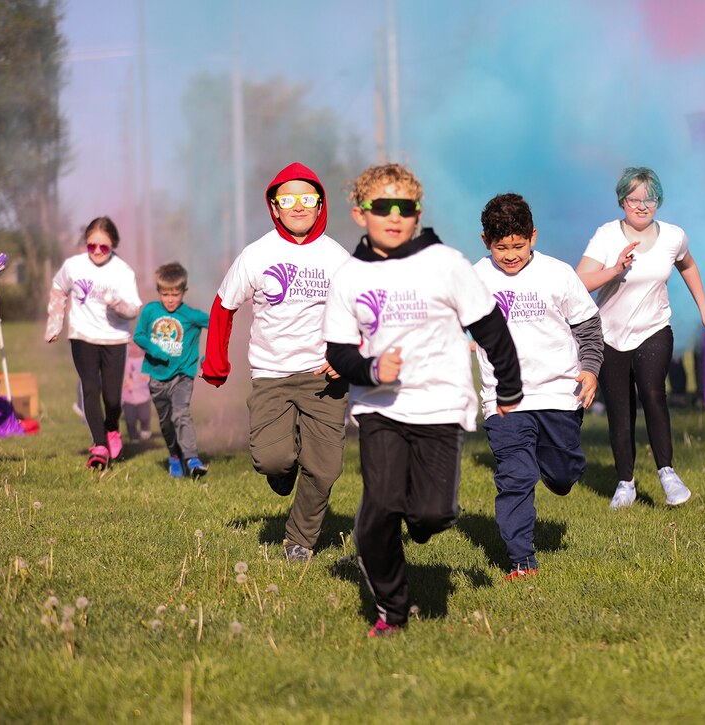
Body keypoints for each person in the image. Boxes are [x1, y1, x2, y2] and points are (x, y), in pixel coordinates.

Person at [323, 164, 522, 637]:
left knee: (433, 514)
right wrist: (372, 370)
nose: (394, 216)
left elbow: (491, 329)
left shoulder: (446, 263)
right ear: (359, 213)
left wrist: (510, 389)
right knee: (379, 512)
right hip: (381, 408)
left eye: (405, 207)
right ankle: (392, 610)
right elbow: (337, 351)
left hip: (440, 403)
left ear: (417, 214)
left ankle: (421, 521)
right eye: (382, 207)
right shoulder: (348, 276)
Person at [201, 162, 351, 561]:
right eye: (288, 199)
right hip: (271, 376)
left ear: (320, 205)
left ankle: (299, 540)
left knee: (325, 467)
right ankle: (283, 470)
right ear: (274, 206)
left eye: (307, 198)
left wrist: (347, 356)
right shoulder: (257, 254)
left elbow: (361, 312)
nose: (298, 206)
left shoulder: (337, 257)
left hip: (324, 376)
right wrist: (216, 365)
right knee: (273, 458)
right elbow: (223, 306)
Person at [473, 193, 603, 580]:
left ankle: (558, 470)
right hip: (504, 399)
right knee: (516, 477)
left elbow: (589, 327)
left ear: (533, 236)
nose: (510, 255)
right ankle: (522, 561)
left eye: (518, 245)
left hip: (559, 394)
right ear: (485, 242)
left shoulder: (558, 274)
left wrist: (591, 369)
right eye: (501, 247)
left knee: (562, 475)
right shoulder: (473, 278)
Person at [576, 167, 705, 510]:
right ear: (622, 201)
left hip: (654, 329)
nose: (642, 206)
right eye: (634, 199)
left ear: (659, 201)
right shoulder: (607, 236)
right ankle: (625, 482)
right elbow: (579, 280)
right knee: (620, 408)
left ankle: (667, 473)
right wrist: (614, 270)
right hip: (609, 335)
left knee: (653, 392)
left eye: (650, 199)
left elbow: (688, 266)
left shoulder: (673, 236)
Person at [45, 217, 142, 469]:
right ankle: (99, 446)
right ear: (86, 245)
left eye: (103, 247)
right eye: (91, 246)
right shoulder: (73, 266)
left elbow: (133, 309)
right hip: (82, 336)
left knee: (112, 398)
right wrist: (55, 323)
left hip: (114, 339)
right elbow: (58, 288)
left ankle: (112, 429)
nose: (97, 252)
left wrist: (117, 304)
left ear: (113, 246)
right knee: (90, 388)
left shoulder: (122, 271)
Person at [133, 262, 210, 478]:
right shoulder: (150, 311)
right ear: (159, 291)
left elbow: (217, 325)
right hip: (156, 378)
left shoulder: (191, 315)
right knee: (166, 423)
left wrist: (210, 357)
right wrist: (157, 352)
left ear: (184, 292)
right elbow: (139, 335)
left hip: (182, 376)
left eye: (175, 294)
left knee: (181, 414)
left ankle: (192, 459)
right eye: (165, 294)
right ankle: (174, 456)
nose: (169, 299)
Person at [121, 341, 152, 442]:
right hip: (128, 398)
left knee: (145, 416)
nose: (134, 348)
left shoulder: (146, 361)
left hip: (144, 397)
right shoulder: (124, 361)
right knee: (130, 420)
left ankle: (145, 428)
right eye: (131, 346)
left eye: (137, 346)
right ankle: (133, 436)